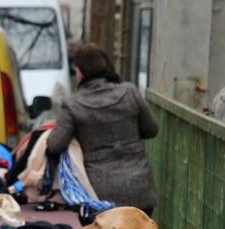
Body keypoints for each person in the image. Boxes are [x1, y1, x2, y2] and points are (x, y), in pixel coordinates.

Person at [46, 44, 159, 216]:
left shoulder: (73, 105)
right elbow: (151, 129)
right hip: (140, 191)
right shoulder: (130, 92)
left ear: (81, 73)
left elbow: (54, 145)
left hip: (101, 197)